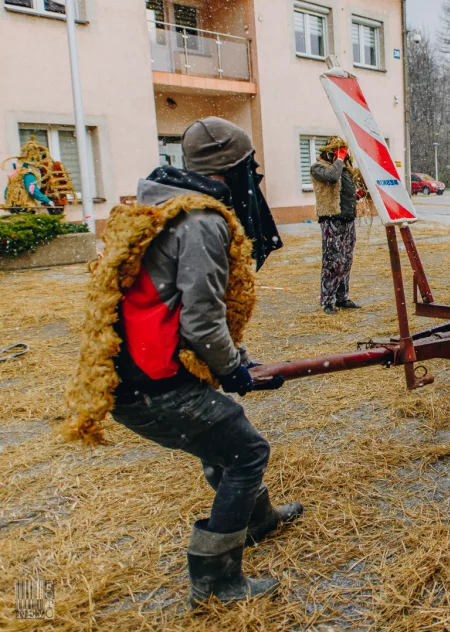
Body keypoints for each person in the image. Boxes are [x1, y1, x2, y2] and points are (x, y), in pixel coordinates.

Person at [65, 117, 301, 607]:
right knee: (245, 451)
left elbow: (170, 309)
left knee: (226, 440)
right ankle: (216, 582)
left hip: (134, 371)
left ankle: (256, 519)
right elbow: (200, 319)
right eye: (248, 168)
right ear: (230, 170)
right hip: (151, 385)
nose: (252, 178)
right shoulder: (202, 222)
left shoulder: (163, 204)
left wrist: (237, 361)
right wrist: (232, 370)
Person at [311, 137, 362, 315]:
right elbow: (332, 178)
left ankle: (342, 298)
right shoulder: (318, 167)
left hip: (348, 219)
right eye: (338, 153)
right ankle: (327, 301)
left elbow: (345, 194)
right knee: (332, 261)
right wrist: (340, 159)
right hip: (331, 219)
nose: (342, 156)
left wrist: (359, 195)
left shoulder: (344, 170)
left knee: (346, 261)